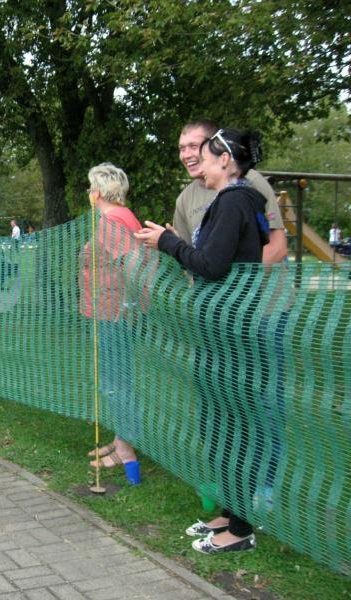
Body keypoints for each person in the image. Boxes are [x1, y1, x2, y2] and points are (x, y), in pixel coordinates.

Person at [135, 127, 270, 554]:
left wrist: (168, 243)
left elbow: (211, 265)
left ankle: (241, 529)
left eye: (207, 158)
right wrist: (174, 243)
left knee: (234, 427)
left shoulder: (233, 202)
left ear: (225, 161)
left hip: (233, 335)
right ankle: (230, 513)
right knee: (219, 424)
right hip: (222, 331)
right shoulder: (239, 202)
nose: (201, 166)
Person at [79, 163, 143, 484]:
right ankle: (121, 439)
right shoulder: (119, 217)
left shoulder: (113, 219)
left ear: (100, 192)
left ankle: (126, 451)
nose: (89, 193)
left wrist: (128, 305)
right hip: (111, 311)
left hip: (114, 314)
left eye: (91, 188)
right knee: (117, 377)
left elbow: (132, 262)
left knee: (116, 381)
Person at [173, 119, 287, 263]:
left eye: (193, 146)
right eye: (182, 148)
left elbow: (277, 246)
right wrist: (170, 243)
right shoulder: (184, 199)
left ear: (214, 146)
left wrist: (242, 277)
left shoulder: (250, 182)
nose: (186, 155)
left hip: (255, 277)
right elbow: (190, 257)